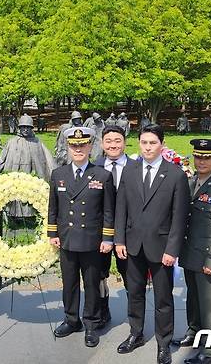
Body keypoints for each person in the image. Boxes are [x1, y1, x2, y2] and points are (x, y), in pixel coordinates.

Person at [114, 124, 191, 364]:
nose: (148, 147)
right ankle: (135, 333)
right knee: (134, 294)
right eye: (144, 143)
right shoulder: (130, 170)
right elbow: (121, 208)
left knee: (163, 299)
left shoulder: (175, 174)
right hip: (133, 245)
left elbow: (180, 217)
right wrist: (119, 239)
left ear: (162, 144)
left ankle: (163, 343)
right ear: (139, 144)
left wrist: (172, 250)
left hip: (161, 249)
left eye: (153, 143)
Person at [48, 127, 115, 348]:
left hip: (92, 240)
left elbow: (108, 211)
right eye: (74, 146)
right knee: (69, 283)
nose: (78, 149)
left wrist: (107, 239)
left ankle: (92, 324)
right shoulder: (58, 174)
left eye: (82, 145)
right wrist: (52, 233)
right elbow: (53, 208)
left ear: (90, 147)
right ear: (68, 147)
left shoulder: (103, 175)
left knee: (92, 285)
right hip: (67, 239)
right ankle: (71, 319)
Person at [173, 139, 211, 364]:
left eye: (208, 157)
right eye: (199, 156)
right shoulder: (189, 183)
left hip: (208, 256)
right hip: (190, 252)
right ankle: (194, 331)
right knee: (193, 296)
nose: (202, 161)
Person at [93, 125, 135, 326]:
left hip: (129, 233)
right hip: (102, 233)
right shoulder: (94, 168)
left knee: (130, 275)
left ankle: (135, 317)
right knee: (99, 274)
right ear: (102, 144)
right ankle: (103, 311)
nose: (113, 145)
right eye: (108, 141)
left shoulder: (137, 167)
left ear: (125, 142)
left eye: (117, 140)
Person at [0, 114, 56, 217]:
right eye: (23, 127)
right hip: (14, 175)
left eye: (28, 127)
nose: (26, 130)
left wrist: (55, 174)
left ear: (31, 128)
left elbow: (48, 160)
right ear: (19, 128)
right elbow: (2, 159)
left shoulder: (37, 142)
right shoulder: (12, 142)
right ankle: (13, 215)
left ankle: (30, 215)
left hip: (31, 176)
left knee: (30, 194)